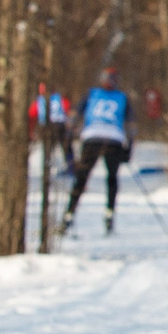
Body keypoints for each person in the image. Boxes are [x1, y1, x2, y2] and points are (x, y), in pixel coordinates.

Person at [62, 67, 134, 236]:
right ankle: (109, 213)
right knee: (111, 178)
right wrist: (129, 147)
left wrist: (68, 136)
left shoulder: (92, 94)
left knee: (82, 176)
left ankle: (69, 214)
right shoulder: (122, 98)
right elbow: (131, 126)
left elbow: (74, 116)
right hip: (114, 140)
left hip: (92, 137)